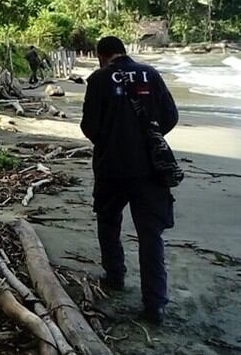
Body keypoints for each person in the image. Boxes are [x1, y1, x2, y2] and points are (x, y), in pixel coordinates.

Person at [79, 36, 178, 325]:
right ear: (124, 52)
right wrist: (149, 137)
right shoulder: (151, 74)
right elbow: (170, 116)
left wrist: (110, 141)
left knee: (109, 222)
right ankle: (155, 303)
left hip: (111, 167)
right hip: (150, 168)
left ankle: (115, 276)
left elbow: (89, 126)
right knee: (150, 236)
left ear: (101, 56)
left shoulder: (98, 80)